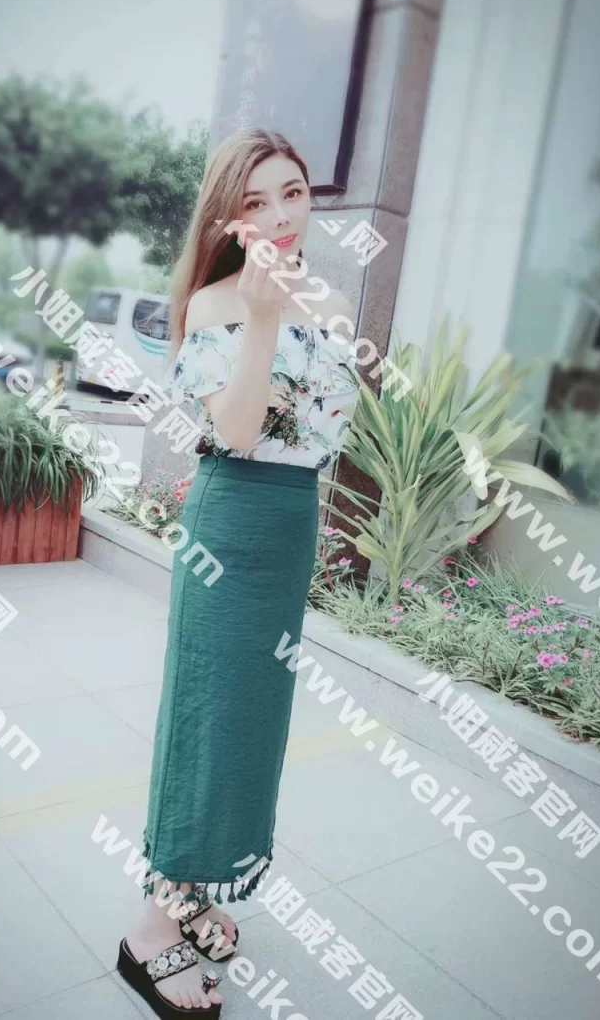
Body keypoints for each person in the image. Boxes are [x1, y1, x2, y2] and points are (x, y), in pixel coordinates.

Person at [117, 129, 361, 1018]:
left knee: (255, 729)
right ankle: (152, 927)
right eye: (255, 202)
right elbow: (240, 430)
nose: (281, 215)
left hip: (290, 526)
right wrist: (263, 319)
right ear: (227, 218)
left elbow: (324, 430)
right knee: (208, 721)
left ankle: (201, 892)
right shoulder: (217, 303)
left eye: (293, 192)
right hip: (229, 522)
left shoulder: (332, 299)